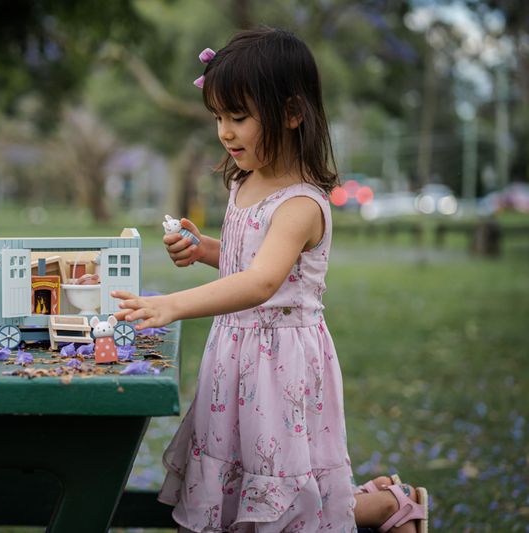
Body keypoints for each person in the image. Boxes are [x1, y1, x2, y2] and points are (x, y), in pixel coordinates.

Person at [112, 27, 428, 532]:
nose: (225, 132)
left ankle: (391, 506)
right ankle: (387, 503)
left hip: (279, 364)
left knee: (284, 486)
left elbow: (262, 282)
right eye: (218, 117)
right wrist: (204, 250)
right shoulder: (245, 181)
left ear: (292, 113)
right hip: (235, 356)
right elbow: (247, 262)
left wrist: (172, 304)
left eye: (238, 117)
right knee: (241, 478)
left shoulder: (300, 203)